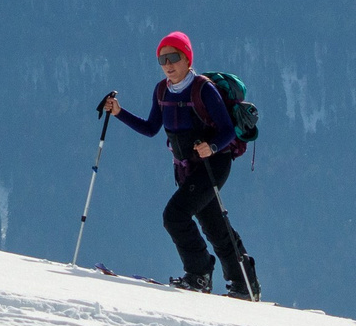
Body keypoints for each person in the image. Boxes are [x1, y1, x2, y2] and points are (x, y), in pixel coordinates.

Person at [98, 31, 256, 298]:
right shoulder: (161, 91)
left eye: (174, 57)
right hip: (186, 168)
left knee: (175, 215)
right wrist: (118, 112)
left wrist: (213, 146)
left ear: (187, 59)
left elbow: (228, 130)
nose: (168, 64)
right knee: (214, 224)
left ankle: (199, 274)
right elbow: (150, 128)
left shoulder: (204, 89)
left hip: (213, 164)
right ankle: (244, 284)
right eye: (162, 59)